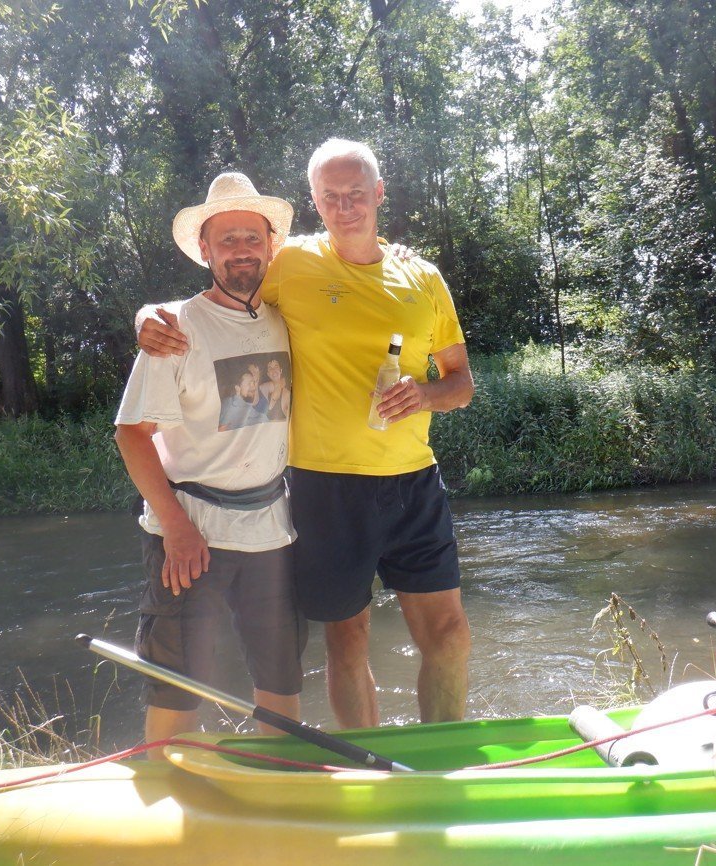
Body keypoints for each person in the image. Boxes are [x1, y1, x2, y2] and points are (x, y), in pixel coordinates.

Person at [139, 139, 475, 729]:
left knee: (448, 635)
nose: (344, 207)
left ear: (378, 194)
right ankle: (370, 773)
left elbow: (462, 382)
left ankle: (440, 760)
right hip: (327, 486)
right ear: (316, 202)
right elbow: (214, 298)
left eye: (354, 194)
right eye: (330, 196)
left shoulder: (423, 279)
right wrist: (145, 317)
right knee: (349, 639)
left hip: (415, 482)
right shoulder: (290, 264)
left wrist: (425, 394)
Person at [115, 172, 306, 757]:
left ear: (271, 245)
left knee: (281, 685)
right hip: (189, 531)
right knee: (178, 690)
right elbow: (131, 434)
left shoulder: (285, 313)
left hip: (272, 529)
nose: (242, 249)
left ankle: (278, 796)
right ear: (205, 250)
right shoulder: (173, 329)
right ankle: (173, 811)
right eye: (227, 240)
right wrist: (175, 527)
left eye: (252, 237)